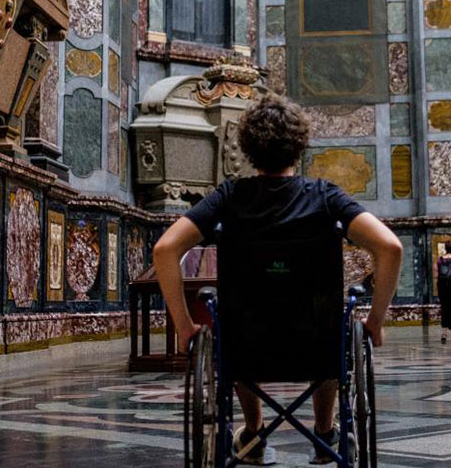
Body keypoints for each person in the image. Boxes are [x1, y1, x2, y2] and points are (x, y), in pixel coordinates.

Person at [152, 94, 403, 465]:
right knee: (330, 326)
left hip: (247, 346)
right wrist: (375, 322)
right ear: (299, 147)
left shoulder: (229, 197)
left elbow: (165, 250)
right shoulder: (324, 196)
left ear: (249, 149)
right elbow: (390, 248)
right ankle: (324, 434)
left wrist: (184, 325)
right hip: (316, 344)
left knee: (234, 325)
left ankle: (253, 434)